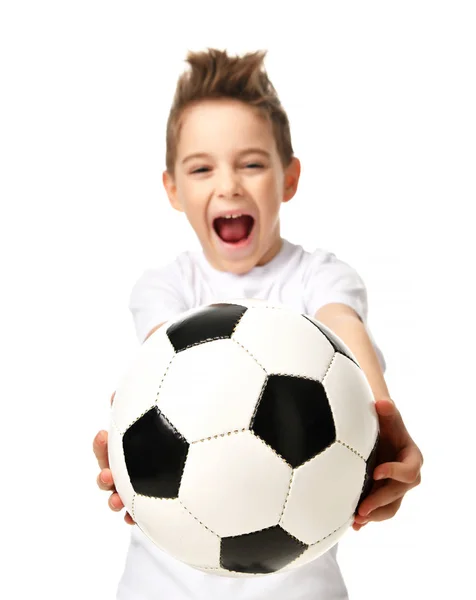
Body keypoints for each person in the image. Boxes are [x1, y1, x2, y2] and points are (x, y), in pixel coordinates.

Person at [93, 47, 423, 599]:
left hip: (298, 586)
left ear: (288, 177)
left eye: (251, 163)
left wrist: (383, 426)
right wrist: (128, 443)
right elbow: (159, 360)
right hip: (163, 583)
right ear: (173, 188)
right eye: (202, 168)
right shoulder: (166, 289)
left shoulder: (320, 276)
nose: (229, 186)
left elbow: (344, 328)